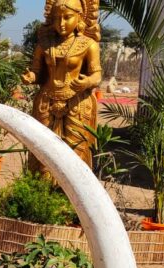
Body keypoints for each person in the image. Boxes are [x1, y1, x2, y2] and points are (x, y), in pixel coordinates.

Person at [22, 0, 102, 167]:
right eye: (57, 18)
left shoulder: (89, 45)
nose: (61, 23)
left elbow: (97, 75)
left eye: (67, 17)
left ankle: (69, 192)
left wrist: (87, 81)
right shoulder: (44, 45)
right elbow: (37, 72)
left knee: (75, 154)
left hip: (76, 104)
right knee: (43, 152)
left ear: (80, 17)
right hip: (46, 102)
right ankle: (41, 190)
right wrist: (30, 76)